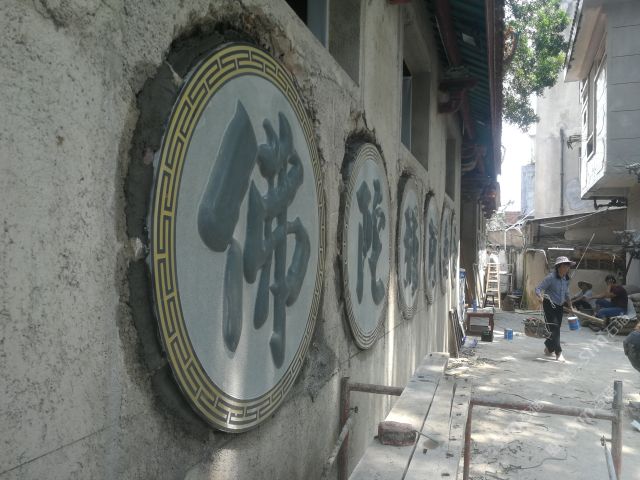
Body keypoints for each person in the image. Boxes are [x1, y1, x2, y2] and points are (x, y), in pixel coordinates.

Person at [535, 256, 575, 361]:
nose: (567, 268)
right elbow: (538, 288)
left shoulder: (566, 279)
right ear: (559, 267)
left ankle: (549, 347)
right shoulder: (551, 278)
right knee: (555, 328)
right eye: (565, 266)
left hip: (559, 306)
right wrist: (539, 297)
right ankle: (559, 352)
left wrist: (570, 306)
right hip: (549, 305)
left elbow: (567, 293)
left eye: (568, 266)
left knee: (556, 328)